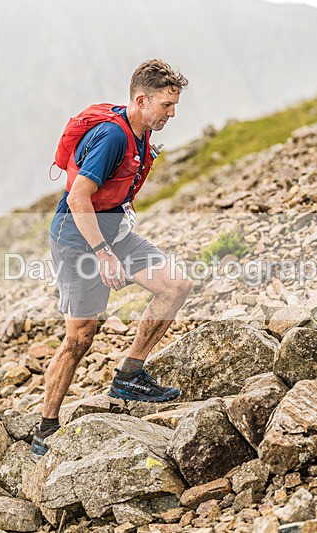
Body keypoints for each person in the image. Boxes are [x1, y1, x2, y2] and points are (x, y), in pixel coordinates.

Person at [31, 59, 193, 456]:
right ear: (141, 100)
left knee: (176, 285)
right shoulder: (112, 137)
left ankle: (129, 376)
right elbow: (78, 196)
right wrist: (103, 255)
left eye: (174, 105)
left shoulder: (139, 132)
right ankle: (45, 430)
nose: (172, 113)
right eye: (166, 105)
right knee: (81, 337)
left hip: (114, 232)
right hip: (78, 241)